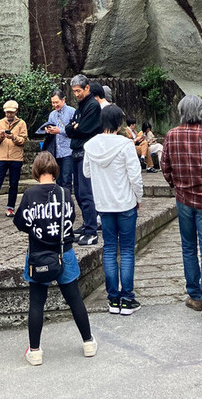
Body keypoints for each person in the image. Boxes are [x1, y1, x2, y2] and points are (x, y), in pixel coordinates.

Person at [13, 151, 97, 365]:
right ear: (54, 171)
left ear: (36, 171)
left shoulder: (30, 194)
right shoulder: (64, 193)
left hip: (38, 254)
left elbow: (21, 222)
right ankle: (88, 342)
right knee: (74, 299)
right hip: (63, 252)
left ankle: (35, 351)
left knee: (36, 303)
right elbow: (70, 218)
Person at [160, 95, 202, 321]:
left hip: (183, 199)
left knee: (188, 248)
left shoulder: (171, 135)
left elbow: (165, 166)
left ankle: (194, 295)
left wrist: (176, 185)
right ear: (201, 111)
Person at [84, 104, 143, 314]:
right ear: (119, 123)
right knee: (126, 250)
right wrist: (139, 196)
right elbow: (135, 176)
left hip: (104, 204)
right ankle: (127, 299)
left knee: (109, 249)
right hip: (126, 202)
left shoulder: (90, 145)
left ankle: (113, 299)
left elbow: (87, 172)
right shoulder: (125, 145)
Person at [66, 75, 103, 245]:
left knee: (86, 193)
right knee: (79, 192)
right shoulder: (81, 106)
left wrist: (75, 127)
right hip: (76, 152)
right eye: (74, 91)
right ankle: (88, 224)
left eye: (78, 91)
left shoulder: (92, 106)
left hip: (86, 152)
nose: (76, 94)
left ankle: (91, 230)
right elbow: (69, 128)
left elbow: (84, 129)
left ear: (87, 88)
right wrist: (74, 127)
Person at [44, 89, 75, 192]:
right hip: (56, 151)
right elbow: (49, 128)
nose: (55, 105)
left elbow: (75, 131)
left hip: (68, 151)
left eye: (57, 102)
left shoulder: (72, 112)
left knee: (66, 179)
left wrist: (60, 131)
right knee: (58, 180)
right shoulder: (52, 114)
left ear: (63, 100)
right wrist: (47, 129)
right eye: (53, 102)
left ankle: (67, 203)